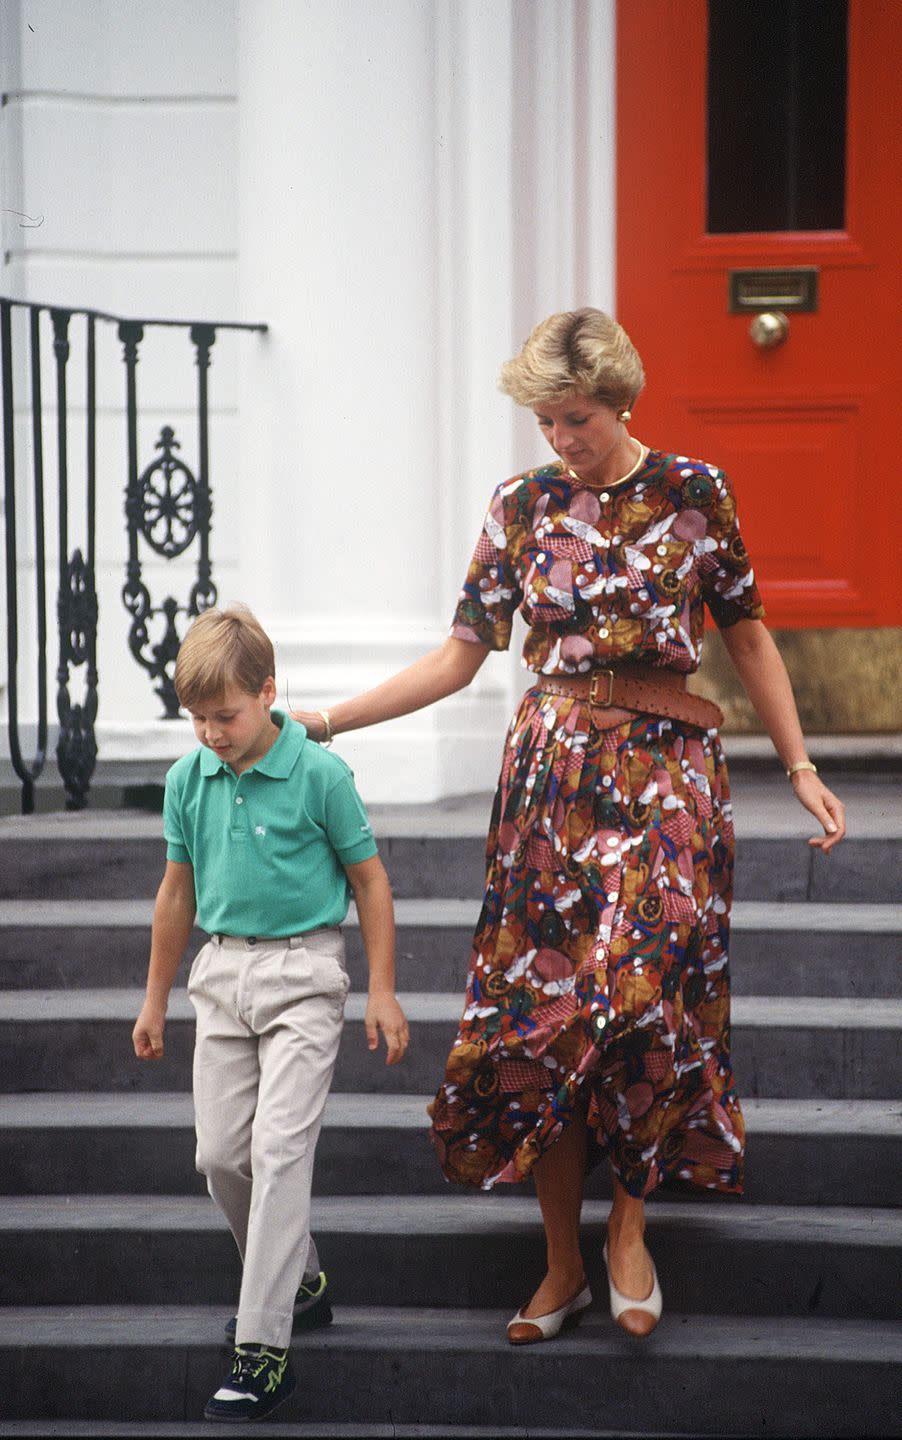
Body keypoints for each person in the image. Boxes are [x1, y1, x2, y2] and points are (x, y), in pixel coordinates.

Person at [291, 307, 845, 1346]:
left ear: (620, 399)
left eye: (576, 418)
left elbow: (752, 641)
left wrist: (800, 765)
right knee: (542, 1019)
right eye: (545, 421)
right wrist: (322, 717)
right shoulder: (519, 505)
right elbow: (458, 655)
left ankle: (627, 1231)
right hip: (552, 784)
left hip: (668, 776)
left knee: (642, 999)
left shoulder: (694, 492)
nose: (560, 440)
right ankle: (559, 1265)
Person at [132, 605, 409, 1422]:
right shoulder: (189, 780)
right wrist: (154, 997)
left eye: (227, 716)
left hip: (304, 974)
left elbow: (371, 883)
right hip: (221, 973)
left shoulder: (320, 773)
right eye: (198, 719)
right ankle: (304, 1282)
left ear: (268, 691)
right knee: (220, 1156)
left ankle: (266, 1350)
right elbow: (176, 894)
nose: (212, 733)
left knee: (280, 1153)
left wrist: (383, 988)